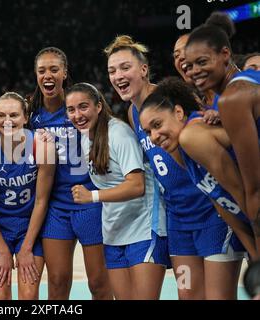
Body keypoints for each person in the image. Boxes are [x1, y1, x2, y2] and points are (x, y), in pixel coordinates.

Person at [105, 35, 245, 299]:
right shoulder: (133, 114)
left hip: (212, 212)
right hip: (179, 220)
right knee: (188, 295)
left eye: (125, 67)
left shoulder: (174, 98)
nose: (118, 75)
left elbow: (219, 133)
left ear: (144, 69)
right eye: (112, 71)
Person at [66, 82, 169, 300]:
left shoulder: (119, 134)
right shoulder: (85, 138)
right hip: (114, 231)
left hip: (143, 227)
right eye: (71, 109)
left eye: (83, 107)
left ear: (99, 106)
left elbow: (137, 185)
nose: (77, 115)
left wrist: (91, 196)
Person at [139, 77, 256, 260]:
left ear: (178, 112)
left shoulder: (190, 136)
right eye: (148, 131)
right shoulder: (184, 151)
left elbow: (245, 196)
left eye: (157, 124)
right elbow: (222, 204)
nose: (153, 136)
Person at [28, 47, 112, 300]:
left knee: (98, 283)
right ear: (36, 75)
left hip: (90, 204)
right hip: (56, 207)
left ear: (65, 73)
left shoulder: (78, 106)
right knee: (56, 281)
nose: (48, 75)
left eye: (54, 69)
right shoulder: (31, 115)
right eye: (42, 70)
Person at [184, 12, 260, 256]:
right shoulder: (230, 94)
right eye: (189, 66)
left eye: (202, 62)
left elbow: (255, 190)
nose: (194, 71)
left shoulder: (233, 98)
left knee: (191, 136)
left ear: (225, 54)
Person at [0, 92, 55, 300]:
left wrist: (26, 248)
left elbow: (41, 201)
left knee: (28, 295)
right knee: (0, 296)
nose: (7, 121)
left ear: (26, 117)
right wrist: (2, 251)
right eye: (1, 115)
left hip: (30, 227)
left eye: (14, 115)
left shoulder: (42, 147)